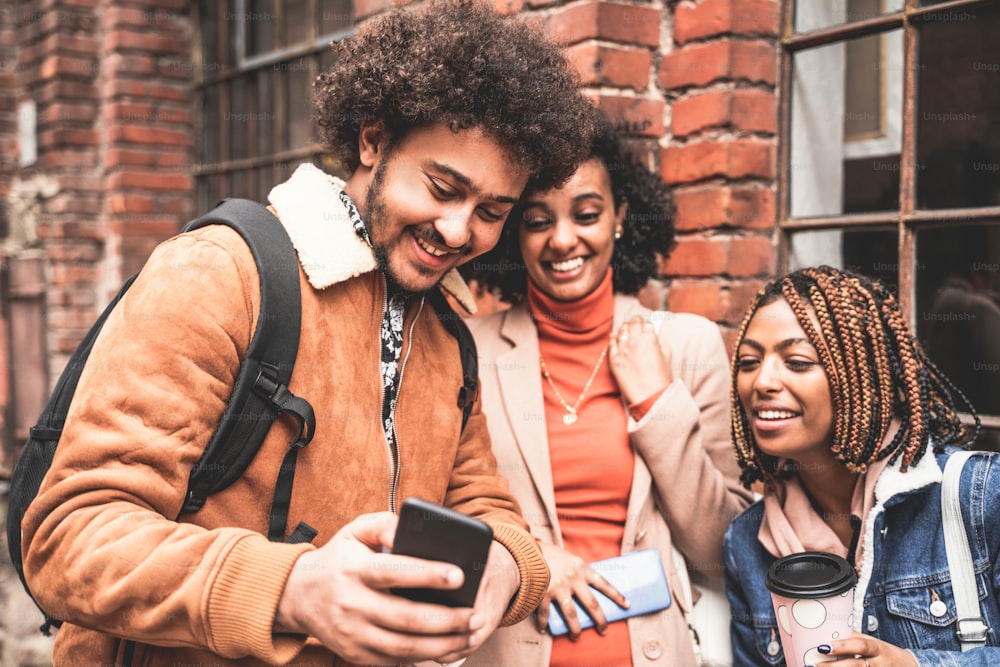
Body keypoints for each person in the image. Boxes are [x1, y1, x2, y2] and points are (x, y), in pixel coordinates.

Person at [20, 2, 598, 665]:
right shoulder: (221, 272)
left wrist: (509, 565)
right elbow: (69, 537)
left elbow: (488, 508)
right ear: (372, 141)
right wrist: (290, 588)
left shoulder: (445, 334)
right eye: (442, 187)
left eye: (492, 211)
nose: (461, 229)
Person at [461, 114, 752, 666]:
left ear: (619, 217)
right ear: (513, 233)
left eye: (587, 214)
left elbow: (723, 551)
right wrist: (528, 559)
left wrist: (657, 406)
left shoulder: (686, 346)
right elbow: (429, 508)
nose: (563, 239)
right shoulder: (467, 351)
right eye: (537, 220)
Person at [724, 265, 1000, 666]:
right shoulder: (746, 542)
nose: (761, 381)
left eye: (797, 362)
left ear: (867, 377)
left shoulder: (979, 497)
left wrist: (912, 664)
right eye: (749, 361)